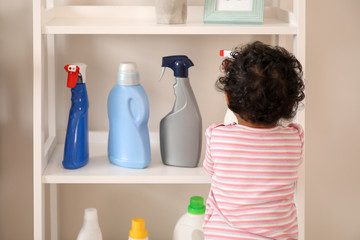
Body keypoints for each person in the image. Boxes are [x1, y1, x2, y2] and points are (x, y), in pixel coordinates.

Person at [203, 41, 305, 240]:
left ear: (228, 98)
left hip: (223, 236)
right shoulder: (295, 138)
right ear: (290, 103)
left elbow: (210, 170)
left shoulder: (217, 136)